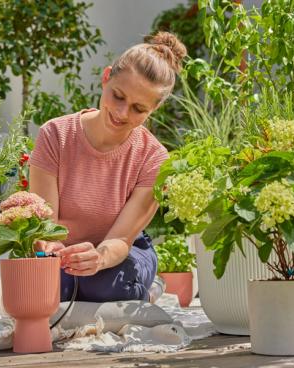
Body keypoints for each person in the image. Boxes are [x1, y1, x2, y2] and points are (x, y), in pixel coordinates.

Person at [30, 31, 187, 303]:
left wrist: (98, 259)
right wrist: (52, 248)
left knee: (104, 288)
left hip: (122, 251)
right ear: (106, 78)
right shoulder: (56, 135)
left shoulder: (154, 158)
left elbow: (120, 241)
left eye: (138, 109)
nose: (122, 113)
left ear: (155, 108)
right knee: (55, 288)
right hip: (64, 250)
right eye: (118, 96)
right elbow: (45, 224)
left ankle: (147, 288)